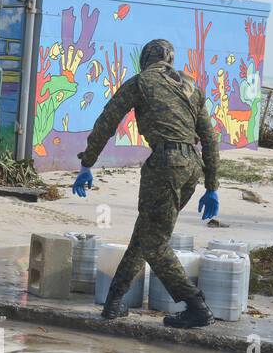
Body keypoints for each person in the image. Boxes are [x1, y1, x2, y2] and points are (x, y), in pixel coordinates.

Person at [73, 38, 221, 328]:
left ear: (146, 58)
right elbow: (210, 138)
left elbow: (107, 121)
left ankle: (196, 306)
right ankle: (114, 302)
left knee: (155, 244)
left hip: (165, 165)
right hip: (191, 167)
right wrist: (212, 186)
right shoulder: (191, 87)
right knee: (146, 233)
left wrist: (87, 163)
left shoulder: (141, 82)